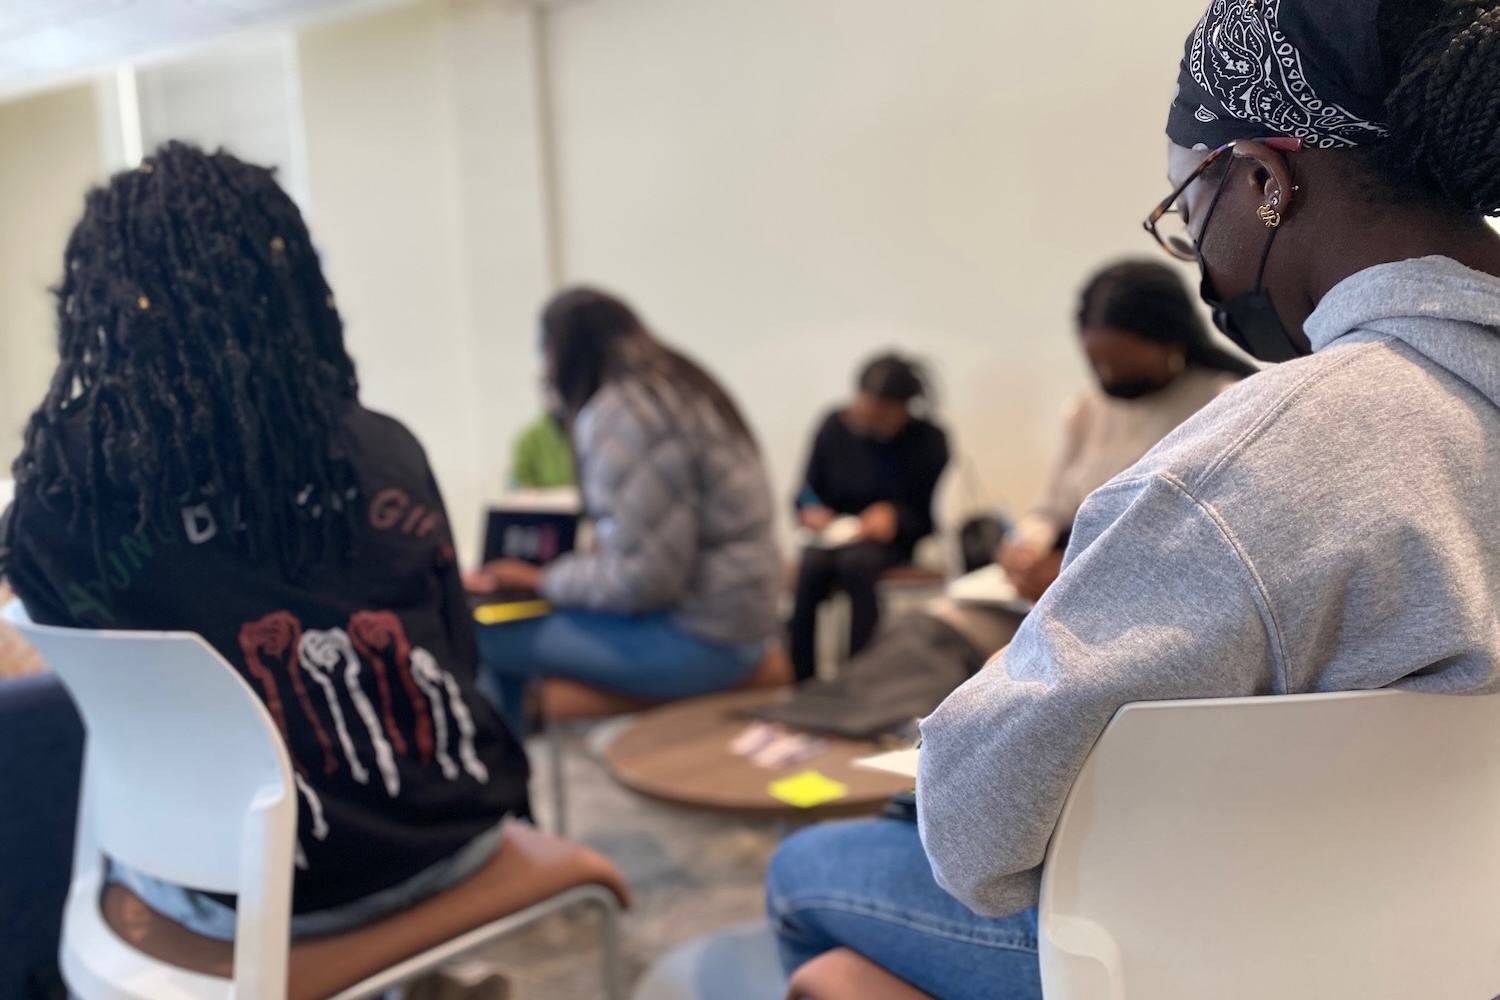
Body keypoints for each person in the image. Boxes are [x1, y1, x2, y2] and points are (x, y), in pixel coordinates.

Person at [766, 0, 1500, 995]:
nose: (1198, 256)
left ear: (1265, 179)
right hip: (1450, 946)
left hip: (1220, 953)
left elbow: (978, 834)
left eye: (1187, 205)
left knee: (805, 869)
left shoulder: (1263, 461)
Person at [0, 143, 530, 940]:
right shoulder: (386, 449)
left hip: (243, 892)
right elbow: (463, 654)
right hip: (457, 833)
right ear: (290, 280)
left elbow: (113, 718)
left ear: (98, 303)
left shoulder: (59, 501)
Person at [753, 259, 1256, 740]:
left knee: (991, 664)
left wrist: (1068, 569)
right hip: (1052, 590)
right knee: (931, 628)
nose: (1105, 376)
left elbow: (1218, 551)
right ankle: (825, 718)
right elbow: (1052, 508)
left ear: (1171, 339)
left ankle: (887, 739)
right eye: (1094, 362)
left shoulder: (1226, 402)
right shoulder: (1088, 408)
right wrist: (1027, 546)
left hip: (1140, 616)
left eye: (1117, 363)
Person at [466, 288, 781, 734]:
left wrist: (541, 578)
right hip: (743, 622)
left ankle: (501, 795)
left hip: (705, 642)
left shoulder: (624, 411)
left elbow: (644, 581)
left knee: (481, 633)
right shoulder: (685, 386)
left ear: (561, 351)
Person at [787, 355, 950, 682]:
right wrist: (809, 509)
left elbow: (928, 516)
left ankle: (858, 679)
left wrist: (894, 516)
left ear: (904, 407)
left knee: (857, 564)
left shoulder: (928, 440)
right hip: (834, 536)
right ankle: (801, 680)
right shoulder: (834, 426)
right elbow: (805, 491)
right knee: (812, 564)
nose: (871, 423)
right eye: (866, 411)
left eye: (882, 416)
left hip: (891, 543)